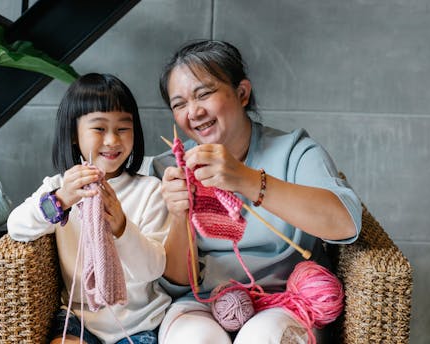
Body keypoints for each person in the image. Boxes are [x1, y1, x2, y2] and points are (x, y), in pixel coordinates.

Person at [150, 40, 362, 343]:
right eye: (179, 104)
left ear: (242, 93)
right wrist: (177, 215)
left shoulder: (296, 152)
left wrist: (248, 180)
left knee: (263, 336)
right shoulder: (168, 170)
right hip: (201, 304)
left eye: (204, 94)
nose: (193, 112)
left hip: (286, 302)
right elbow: (176, 282)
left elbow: (346, 224)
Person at [7, 73, 171, 344]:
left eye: (122, 128)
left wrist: (121, 226)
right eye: (99, 129)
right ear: (74, 134)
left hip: (139, 323)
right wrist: (60, 200)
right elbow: (17, 227)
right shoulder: (60, 186)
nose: (112, 141)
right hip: (78, 319)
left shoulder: (150, 190)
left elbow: (153, 269)